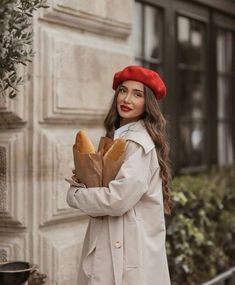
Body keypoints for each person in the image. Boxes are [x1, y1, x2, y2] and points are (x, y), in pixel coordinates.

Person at [66, 65, 171, 285]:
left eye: (137, 94)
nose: (127, 99)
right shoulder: (117, 138)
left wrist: (76, 195)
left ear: (147, 103)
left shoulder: (138, 143)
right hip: (116, 242)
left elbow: (117, 199)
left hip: (128, 252)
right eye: (123, 91)